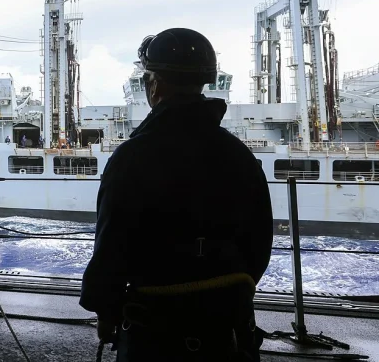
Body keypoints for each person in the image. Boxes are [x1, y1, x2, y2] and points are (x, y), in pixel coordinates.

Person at [80, 28, 273, 362]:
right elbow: (259, 243)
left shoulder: (132, 157)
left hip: (154, 333)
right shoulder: (238, 154)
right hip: (227, 327)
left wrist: (105, 311)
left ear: (153, 85)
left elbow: (111, 243)